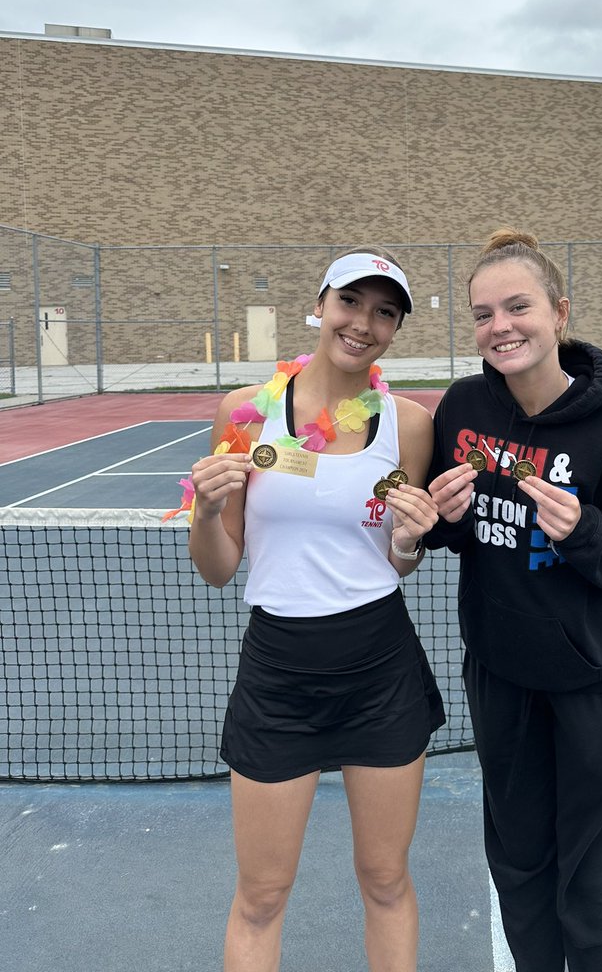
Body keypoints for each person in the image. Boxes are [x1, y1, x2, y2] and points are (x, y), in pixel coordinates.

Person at [426, 229, 602, 972]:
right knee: (519, 869)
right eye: (483, 314)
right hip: (503, 680)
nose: (500, 327)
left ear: (559, 312)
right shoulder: (463, 407)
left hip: (595, 688)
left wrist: (586, 530)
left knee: (591, 883)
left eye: (518, 307)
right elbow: (456, 535)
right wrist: (442, 518)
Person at [184, 248, 444, 972]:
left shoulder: (410, 425)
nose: (363, 323)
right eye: (351, 302)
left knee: (386, 879)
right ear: (322, 304)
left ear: (395, 328)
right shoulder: (245, 412)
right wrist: (205, 512)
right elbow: (218, 569)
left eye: (384, 311)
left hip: (381, 668)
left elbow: (399, 559)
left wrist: (410, 541)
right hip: (279, 673)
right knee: (262, 894)